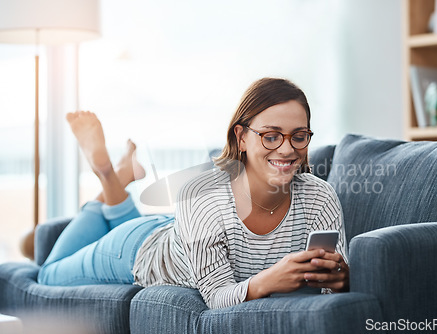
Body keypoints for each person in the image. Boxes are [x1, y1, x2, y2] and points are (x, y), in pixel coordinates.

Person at [38, 78, 349, 309]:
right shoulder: (202, 195)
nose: (287, 149)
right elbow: (216, 296)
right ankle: (108, 174)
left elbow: (332, 289)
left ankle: (121, 177)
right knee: (48, 275)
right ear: (241, 138)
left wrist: (338, 278)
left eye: (299, 136)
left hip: (183, 233)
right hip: (137, 249)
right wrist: (267, 280)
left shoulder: (319, 197)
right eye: (270, 137)